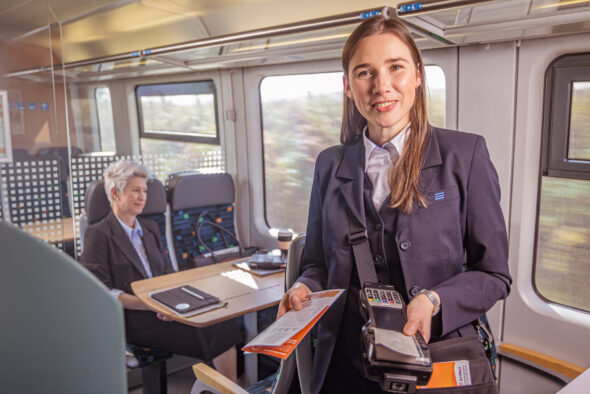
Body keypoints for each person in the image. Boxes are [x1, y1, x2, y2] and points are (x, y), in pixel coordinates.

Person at [277, 15, 512, 393]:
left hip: (435, 358)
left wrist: (433, 301)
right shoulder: (329, 164)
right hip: (348, 364)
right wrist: (303, 287)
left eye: (395, 67)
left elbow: (494, 275)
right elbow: (319, 262)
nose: (381, 86)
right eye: (365, 72)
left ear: (418, 75)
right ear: (348, 87)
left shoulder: (464, 155)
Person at [80, 160, 241, 381]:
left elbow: (167, 275)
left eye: (144, 190)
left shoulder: (150, 229)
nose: (142, 197)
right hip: (132, 317)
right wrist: (152, 305)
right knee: (215, 331)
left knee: (220, 318)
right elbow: (101, 292)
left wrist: (173, 303)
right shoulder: (99, 234)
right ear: (115, 192)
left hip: (164, 308)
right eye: (135, 190)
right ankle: (231, 386)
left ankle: (231, 386)